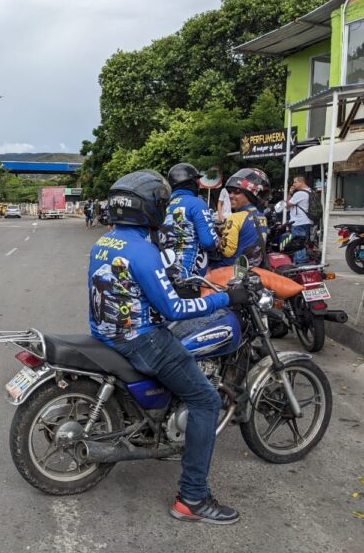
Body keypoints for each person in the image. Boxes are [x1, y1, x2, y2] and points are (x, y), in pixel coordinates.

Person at [89, 169, 246, 525]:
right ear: (148, 208)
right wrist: (224, 298)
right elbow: (174, 308)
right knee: (206, 400)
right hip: (143, 340)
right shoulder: (143, 251)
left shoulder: (105, 242)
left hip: (108, 334)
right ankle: (193, 498)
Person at [162, 163, 219, 289]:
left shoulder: (165, 205)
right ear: (191, 181)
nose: (199, 183)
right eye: (197, 180)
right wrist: (218, 239)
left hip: (164, 275)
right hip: (188, 278)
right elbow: (209, 242)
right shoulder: (196, 203)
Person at [211, 168, 270, 269]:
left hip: (231, 269)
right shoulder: (261, 216)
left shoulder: (234, 218)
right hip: (253, 267)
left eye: (237, 192)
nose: (231, 196)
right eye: (230, 192)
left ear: (250, 194)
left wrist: (216, 237)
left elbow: (227, 251)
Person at [286, 175, 313, 264]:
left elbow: (287, 205)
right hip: (308, 221)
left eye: (295, 182)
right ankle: (301, 262)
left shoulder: (299, 193)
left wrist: (290, 193)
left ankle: (301, 264)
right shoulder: (311, 191)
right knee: (303, 243)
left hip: (299, 222)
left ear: (301, 182)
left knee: (298, 245)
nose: (293, 184)